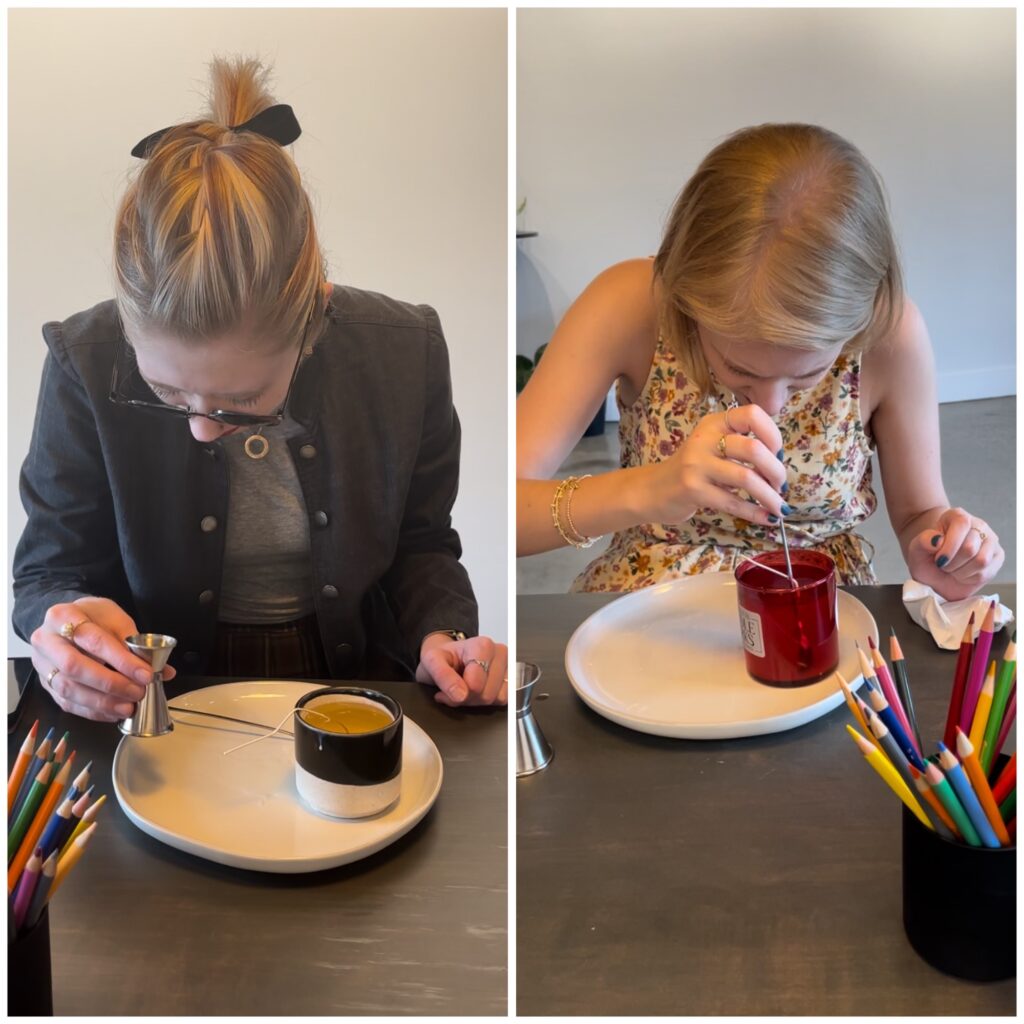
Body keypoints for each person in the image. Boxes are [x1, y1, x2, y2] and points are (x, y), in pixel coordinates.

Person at [13, 57, 507, 722]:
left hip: (358, 687)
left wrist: (442, 635)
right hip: (157, 702)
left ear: (313, 321)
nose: (199, 427)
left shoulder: (405, 349)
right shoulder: (83, 361)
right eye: (162, 391)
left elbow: (422, 544)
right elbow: (49, 569)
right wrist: (63, 628)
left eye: (237, 402)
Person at [517, 123, 1003, 601]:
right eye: (740, 370)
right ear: (688, 301)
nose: (769, 408)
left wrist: (947, 548)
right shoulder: (630, 304)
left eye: (806, 377)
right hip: (647, 614)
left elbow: (921, 513)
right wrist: (648, 489)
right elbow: (500, 511)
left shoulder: (889, 333)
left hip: (819, 614)